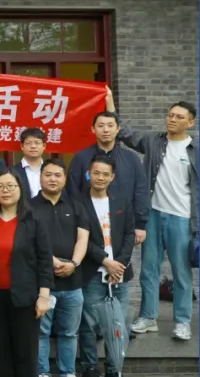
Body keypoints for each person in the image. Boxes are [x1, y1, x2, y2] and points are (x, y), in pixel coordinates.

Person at [106, 89, 198, 341]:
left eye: (179, 117)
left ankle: (182, 321)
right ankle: (148, 317)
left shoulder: (195, 149)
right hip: (153, 215)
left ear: (190, 122)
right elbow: (124, 132)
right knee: (149, 269)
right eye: (170, 115)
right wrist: (110, 104)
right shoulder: (153, 142)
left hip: (182, 217)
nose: (172, 119)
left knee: (181, 272)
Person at [0, 171, 53, 377]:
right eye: (0, 186)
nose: (6, 190)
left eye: (11, 186)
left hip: (25, 296)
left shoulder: (33, 220)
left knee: (25, 353)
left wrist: (44, 296)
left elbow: (45, 261)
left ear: (20, 189)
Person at [31, 158, 92, 377]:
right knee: (41, 332)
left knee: (69, 333)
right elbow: (29, 241)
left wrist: (73, 264)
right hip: (43, 282)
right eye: (48, 174)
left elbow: (83, 238)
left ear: (65, 179)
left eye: (57, 175)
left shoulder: (76, 205)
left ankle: (68, 376)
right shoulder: (29, 206)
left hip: (72, 282)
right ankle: (41, 375)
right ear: (40, 177)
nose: (52, 179)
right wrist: (53, 261)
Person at [77, 155, 137, 377]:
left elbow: (130, 234)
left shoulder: (122, 200)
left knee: (118, 326)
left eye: (105, 174)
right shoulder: (78, 202)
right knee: (89, 326)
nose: (100, 178)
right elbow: (81, 240)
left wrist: (118, 265)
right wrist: (105, 261)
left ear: (112, 177)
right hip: (92, 272)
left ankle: (114, 373)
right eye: (96, 173)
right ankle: (90, 371)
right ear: (89, 174)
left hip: (120, 274)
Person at [66, 110, 148, 247]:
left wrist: (140, 224)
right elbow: (72, 190)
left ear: (118, 129)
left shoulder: (131, 159)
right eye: (101, 126)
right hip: (88, 223)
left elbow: (141, 191)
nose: (105, 130)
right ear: (93, 129)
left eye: (110, 125)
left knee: (120, 258)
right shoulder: (81, 157)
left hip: (122, 221)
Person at [11, 128, 46, 199]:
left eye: (37, 143)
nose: (33, 146)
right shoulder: (12, 171)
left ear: (44, 146)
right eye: (28, 143)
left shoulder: (51, 170)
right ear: (22, 146)